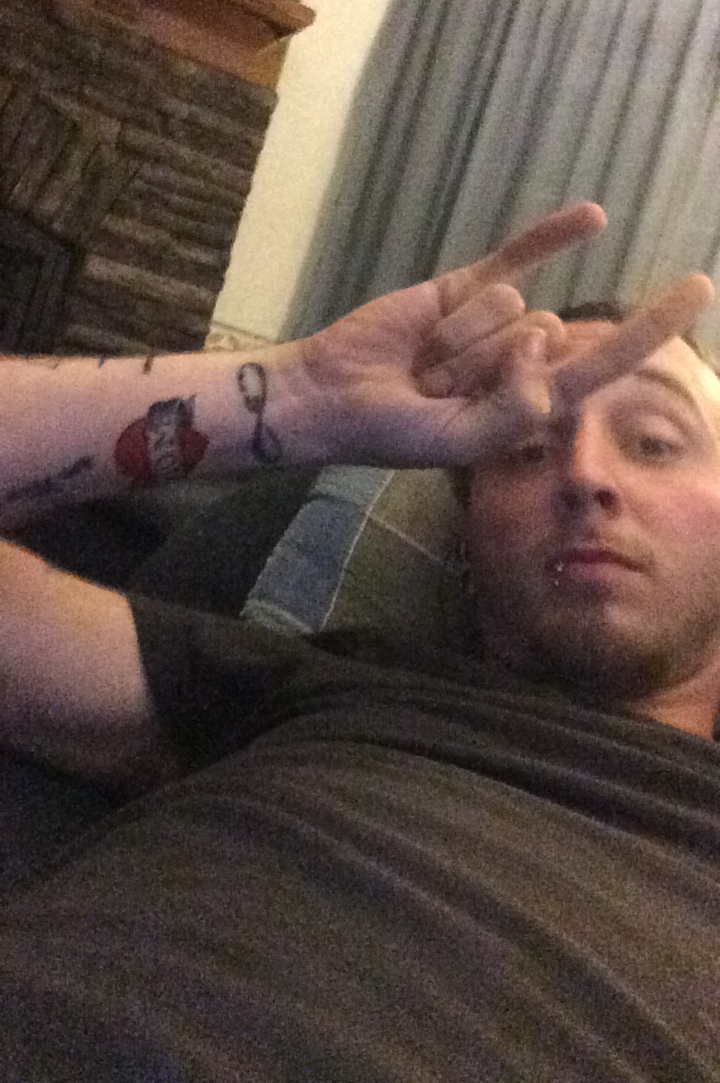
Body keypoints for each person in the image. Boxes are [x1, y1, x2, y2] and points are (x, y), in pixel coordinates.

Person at [0, 202, 717, 1081]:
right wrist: (295, 396)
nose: (586, 475)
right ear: (468, 538)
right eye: (527, 451)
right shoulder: (331, 685)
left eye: (654, 442)